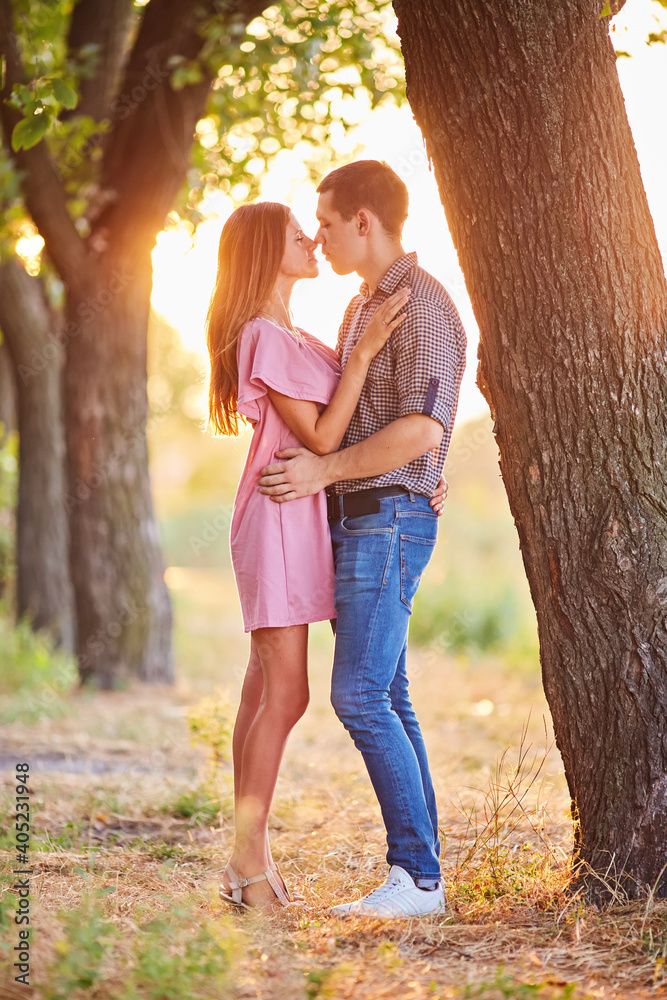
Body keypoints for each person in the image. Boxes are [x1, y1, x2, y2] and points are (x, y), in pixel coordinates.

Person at [206, 200, 442, 912]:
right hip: (281, 509)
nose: (311, 239)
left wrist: (418, 469)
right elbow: (321, 437)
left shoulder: (290, 331)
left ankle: (244, 860)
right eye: (295, 234)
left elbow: (364, 423)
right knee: (286, 692)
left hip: (300, 513)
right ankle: (249, 862)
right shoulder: (262, 335)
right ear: (262, 253)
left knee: (263, 689)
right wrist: (365, 351)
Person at [258, 160, 467, 919]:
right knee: (390, 696)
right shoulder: (360, 310)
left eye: (325, 221)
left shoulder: (424, 308)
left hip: (386, 520)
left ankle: (415, 877)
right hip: (363, 519)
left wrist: (325, 471)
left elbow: (420, 430)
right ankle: (424, 876)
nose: (318, 235)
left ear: (363, 222)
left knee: (357, 694)